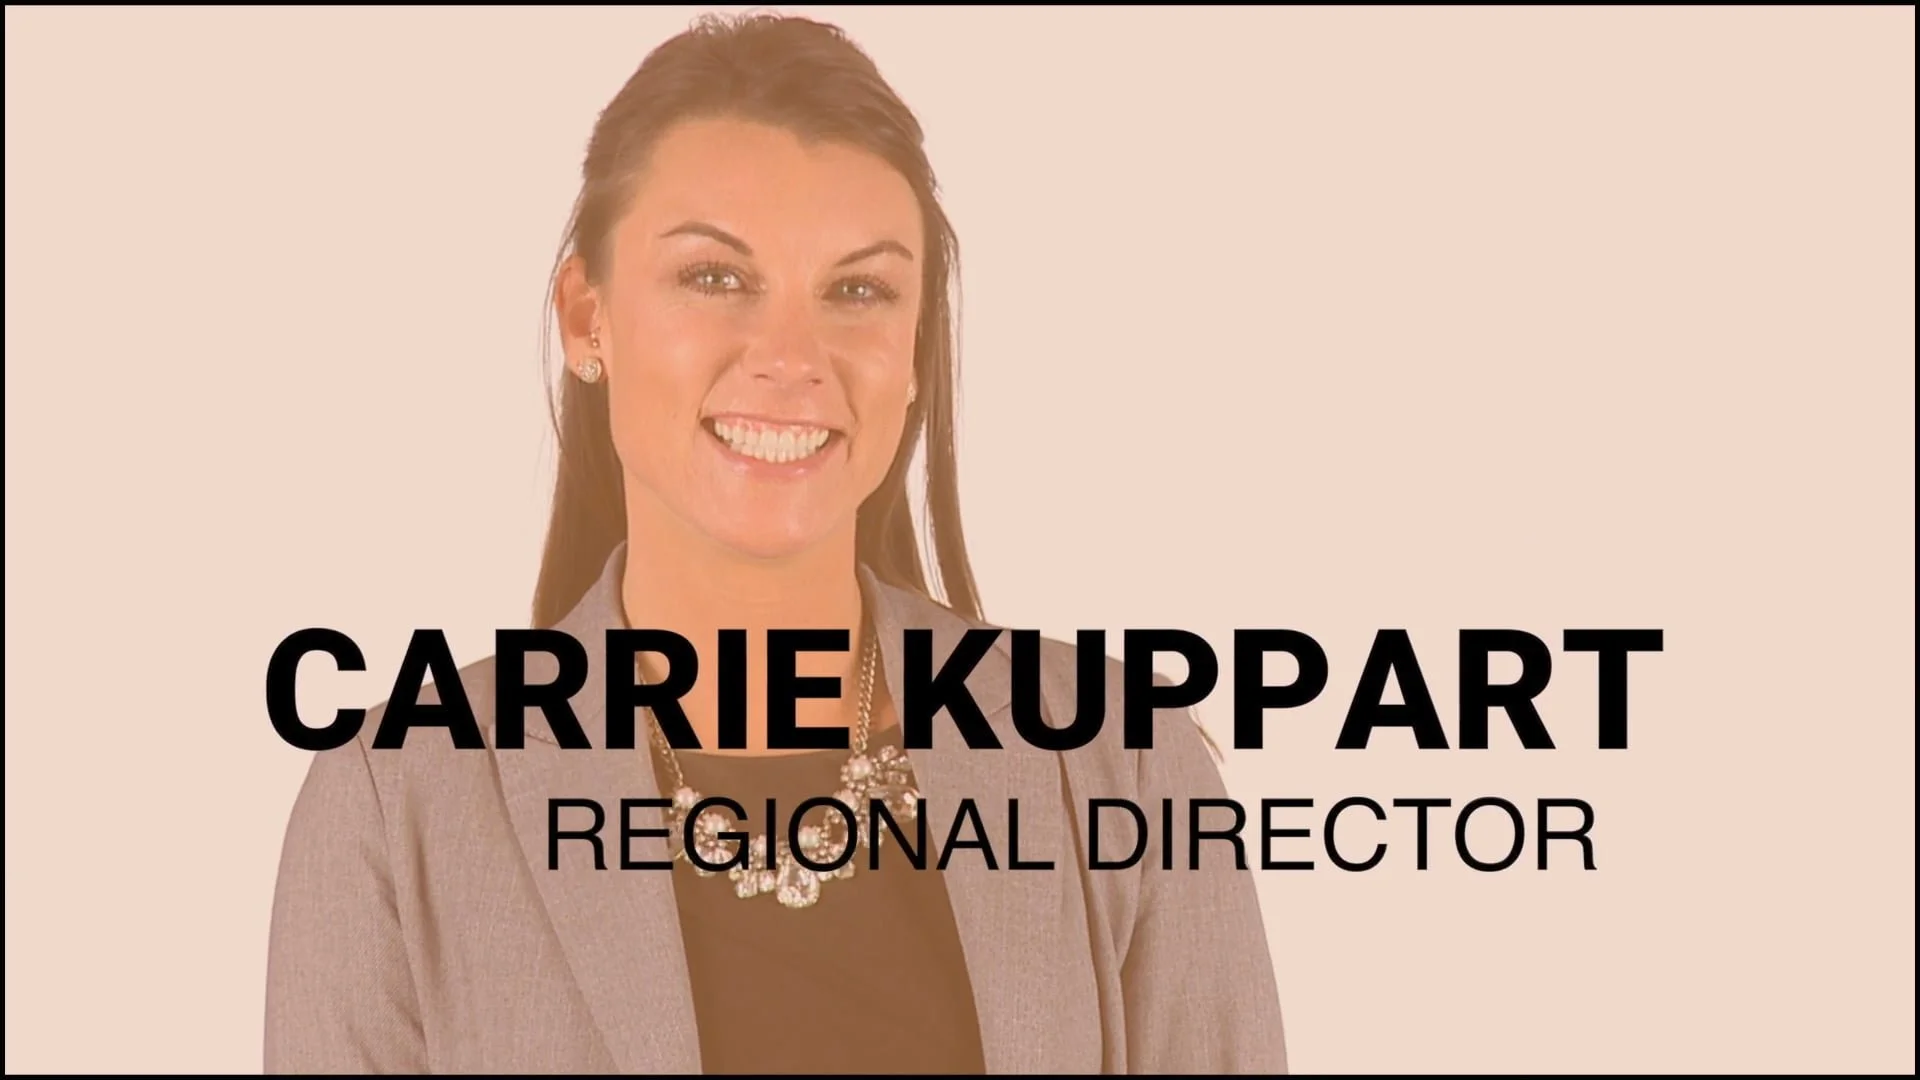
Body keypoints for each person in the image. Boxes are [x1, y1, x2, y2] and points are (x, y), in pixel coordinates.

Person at [264, 12, 1288, 1075]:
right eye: (715, 277)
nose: (792, 356)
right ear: (585, 317)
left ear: (914, 352)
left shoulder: (1124, 766)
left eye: (858, 290)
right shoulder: (394, 805)